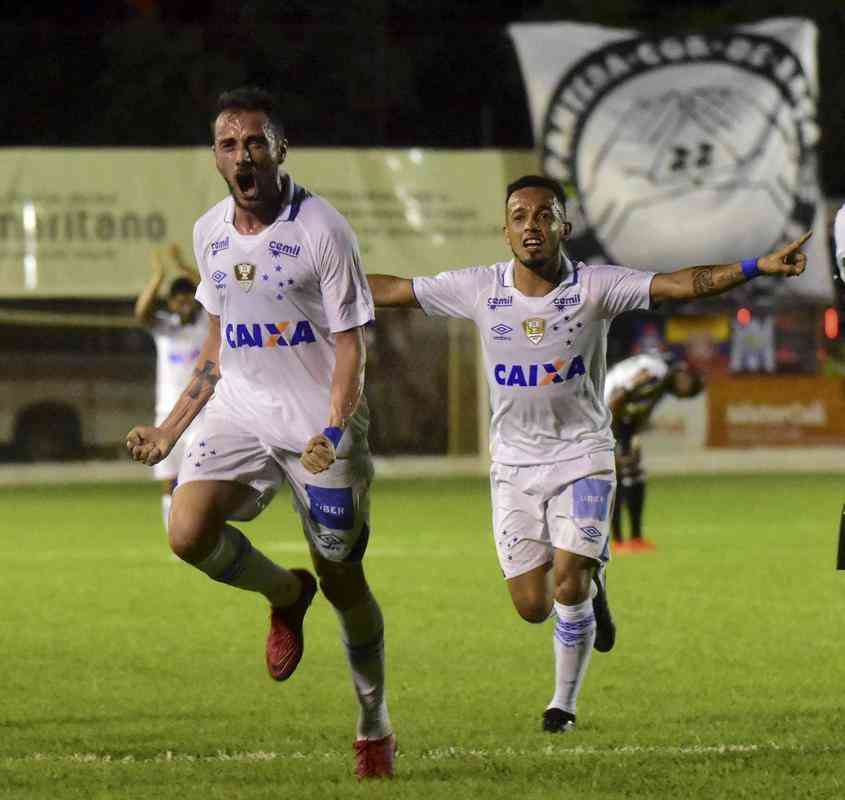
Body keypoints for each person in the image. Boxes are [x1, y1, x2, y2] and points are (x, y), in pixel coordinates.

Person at [367, 174, 809, 734]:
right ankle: (594, 585)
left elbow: (678, 285)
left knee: (567, 579)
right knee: (533, 604)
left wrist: (755, 267)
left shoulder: (596, 286)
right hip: (513, 466)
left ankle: (563, 704)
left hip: (584, 455)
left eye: (544, 214)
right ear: (505, 232)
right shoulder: (479, 288)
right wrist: (323, 284)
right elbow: (398, 289)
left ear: (563, 226)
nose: (533, 225)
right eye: (520, 216)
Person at [126, 87, 394, 779]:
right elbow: (216, 343)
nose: (242, 155)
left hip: (316, 425)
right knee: (186, 533)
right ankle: (283, 593)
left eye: (254, 142)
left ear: (279, 150)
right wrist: (169, 430)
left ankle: (372, 725)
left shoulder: (323, 231)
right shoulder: (209, 231)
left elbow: (351, 346)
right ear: (216, 157)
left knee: (344, 580)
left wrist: (333, 430)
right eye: (228, 144)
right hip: (239, 407)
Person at [134, 245, 207, 533]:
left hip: (201, 413)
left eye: (188, 296)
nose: (183, 302)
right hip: (166, 413)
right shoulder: (165, 328)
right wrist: (159, 275)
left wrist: (183, 265)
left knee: (198, 476)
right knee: (169, 479)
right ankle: (175, 537)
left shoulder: (206, 325)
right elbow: (142, 312)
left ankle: (199, 530)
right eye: (177, 298)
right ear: (171, 302)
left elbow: (213, 288)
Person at [604, 354, 703, 552]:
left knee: (632, 476)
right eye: (687, 384)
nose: (684, 389)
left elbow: (637, 406)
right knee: (622, 477)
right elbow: (621, 393)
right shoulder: (655, 373)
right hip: (607, 417)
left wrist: (632, 433)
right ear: (681, 371)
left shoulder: (660, 375)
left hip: (619, 420)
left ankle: (633, 538)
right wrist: (611, 433)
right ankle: (621, 540)